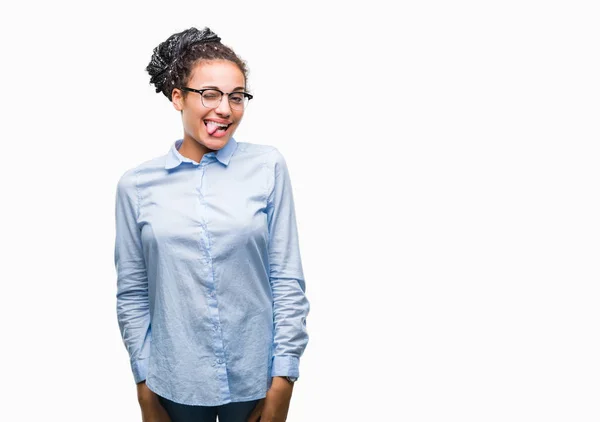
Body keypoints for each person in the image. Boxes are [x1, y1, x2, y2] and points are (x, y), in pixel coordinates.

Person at [114, 27, 310, 422]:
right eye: (210, 94)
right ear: (177, 98)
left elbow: (286, 278)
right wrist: (144, 388)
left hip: (254, 379)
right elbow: (133, 292)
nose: (225, 109)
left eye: (236, 97)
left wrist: (284, 380)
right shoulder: (135, 186)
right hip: (174, 384)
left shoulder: (267, 167)